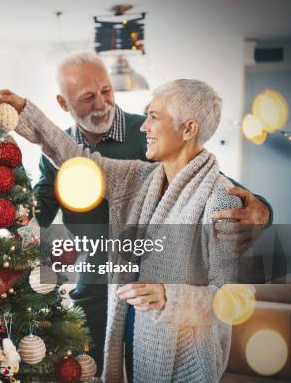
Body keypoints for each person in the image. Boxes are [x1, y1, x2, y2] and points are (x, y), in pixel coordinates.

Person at [30, 52, 271, 374]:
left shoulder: (148, 138)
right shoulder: (68, 153)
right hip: (97, 276)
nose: (102, 103)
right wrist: (14, 214)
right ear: (64, 103)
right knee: (96, 365)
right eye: (88, 97)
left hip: (158, 289)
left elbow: (218, 189)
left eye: (107, 91)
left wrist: (261, 208)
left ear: (186, 128)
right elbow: (51, 188)